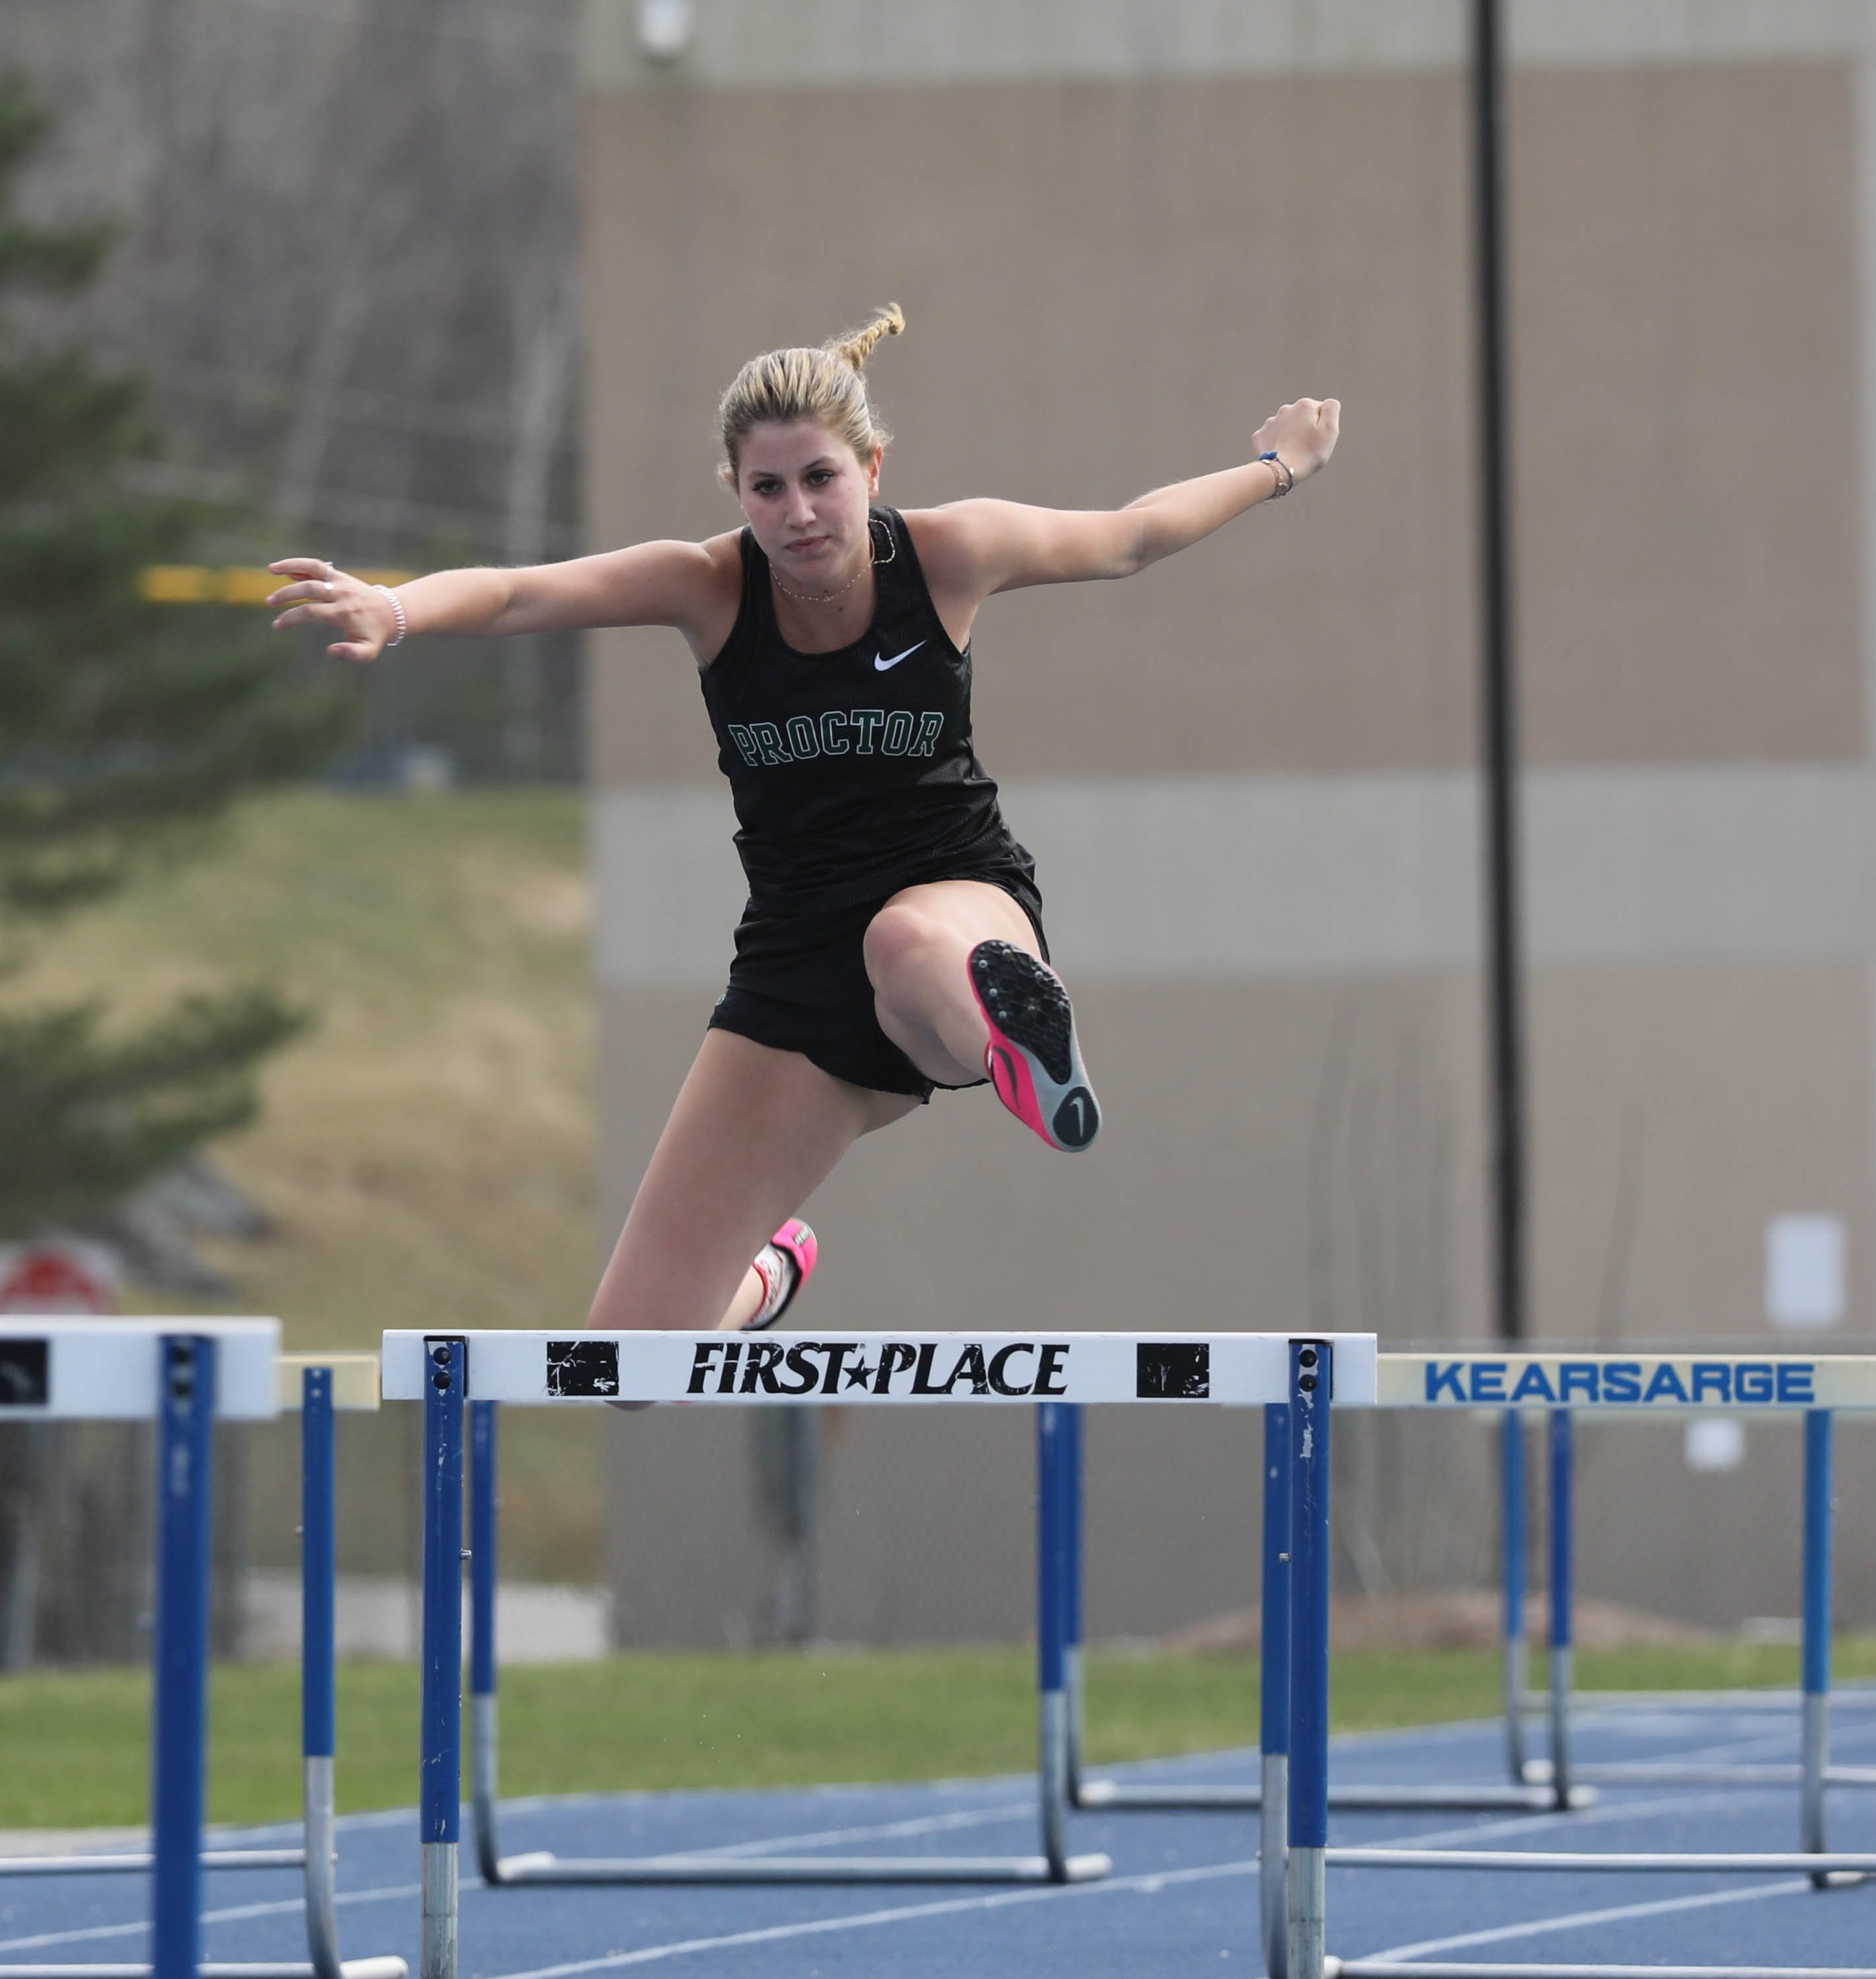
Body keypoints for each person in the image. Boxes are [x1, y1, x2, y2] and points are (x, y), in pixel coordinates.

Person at [270, 306, 1337, 1333]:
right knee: (622, 1360)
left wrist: (1277, 467)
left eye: (821, 479)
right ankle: (773, 1272)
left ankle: (1023, 1043)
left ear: (872, 469)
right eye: (767, 489)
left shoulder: (948, 554)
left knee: (904, 939)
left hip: (956, 903)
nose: (799, 514)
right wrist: (395, 608)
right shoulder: (708, 587)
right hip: (795, 967)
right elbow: (517, 594)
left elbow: (1130, 537)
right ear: (736, 492)